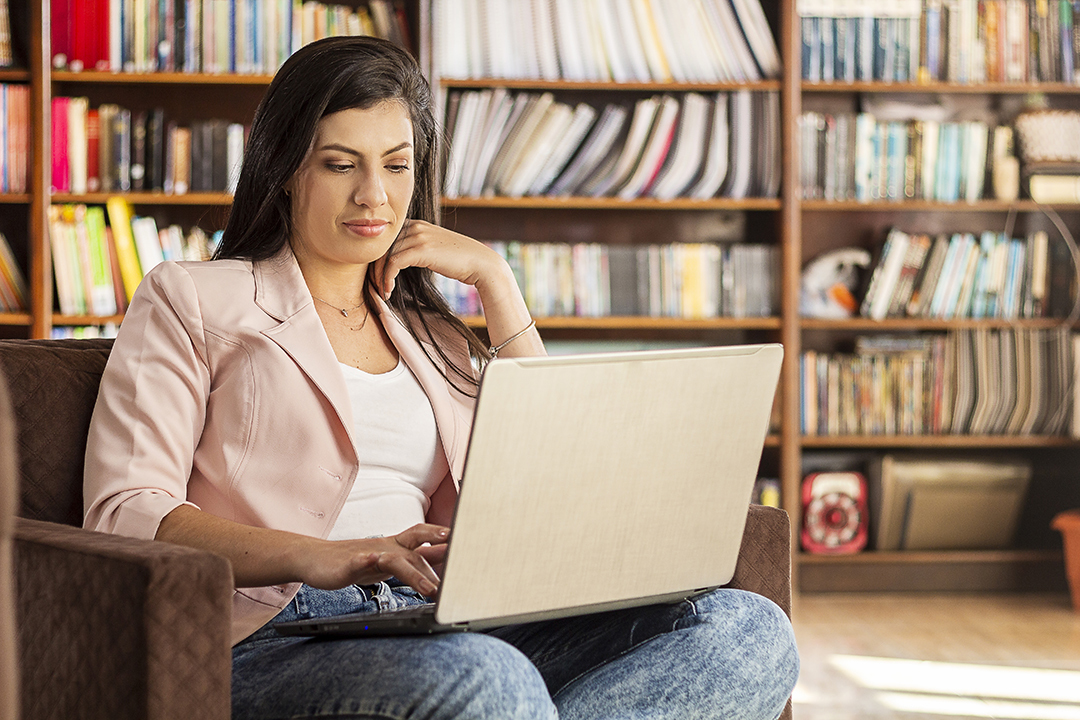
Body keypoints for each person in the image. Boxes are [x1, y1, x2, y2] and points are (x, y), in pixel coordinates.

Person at [83, 35, 799, 720]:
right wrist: (329, 557)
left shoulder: (433, 339)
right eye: (340, 164)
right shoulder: (195, 297)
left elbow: (548, 480)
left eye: (396, 166)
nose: (374, 196)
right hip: (274, 632)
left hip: (433, 618)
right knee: (487, 678)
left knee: (748, 631)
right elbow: (126, 509)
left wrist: (497, 282)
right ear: (285, 168)